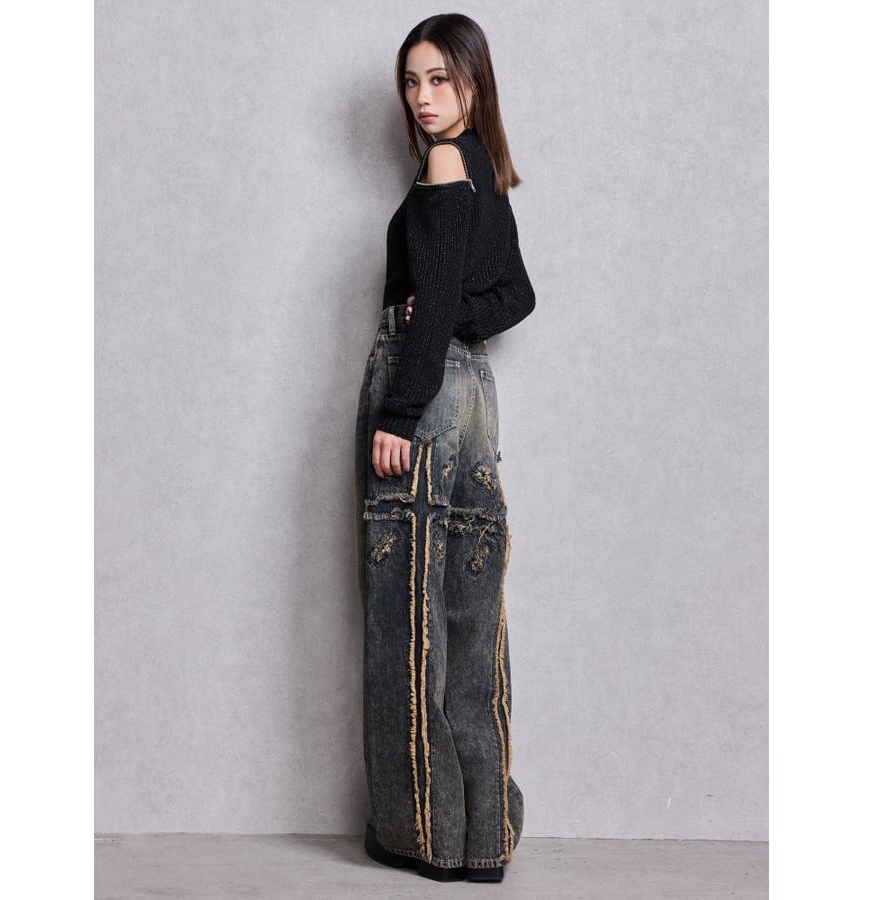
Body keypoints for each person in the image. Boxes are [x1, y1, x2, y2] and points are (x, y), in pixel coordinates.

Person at [354, 13, 536, 885]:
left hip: (422, 398)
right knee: (470, 623)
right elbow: (516, 296)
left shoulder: (442, 165)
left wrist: (398, 411)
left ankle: (419, 831)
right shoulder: (489, 177)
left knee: (409, 622)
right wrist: (454, 321)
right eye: (411, 81)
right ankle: (482, 841)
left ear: (474, 80)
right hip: (474, 408)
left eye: (439, 79)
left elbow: (430, 297)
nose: (422, 99)